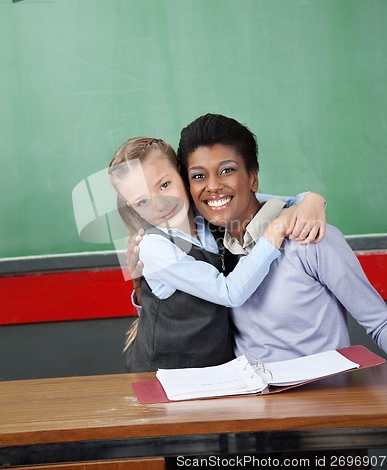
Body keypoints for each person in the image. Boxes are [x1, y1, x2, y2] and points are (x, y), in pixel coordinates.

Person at [175, 114, 387, 360]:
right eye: (198, 176)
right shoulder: (209, 246)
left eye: (227, 170)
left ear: (253, 178)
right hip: (250, 393)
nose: (212, 186)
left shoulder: (309, 238)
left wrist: (311, 200)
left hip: (323, 393)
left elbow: (380, 322)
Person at [108, 137, 326, 372]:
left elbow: (277, 203)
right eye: (142, 201)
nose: (159, 205)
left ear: (183, 174)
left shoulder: (209, 214)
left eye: (164, 185)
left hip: (216, 368)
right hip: (165, 373)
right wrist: (275, 230)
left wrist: (312, 200)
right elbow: (229, 293)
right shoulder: (154, 247)